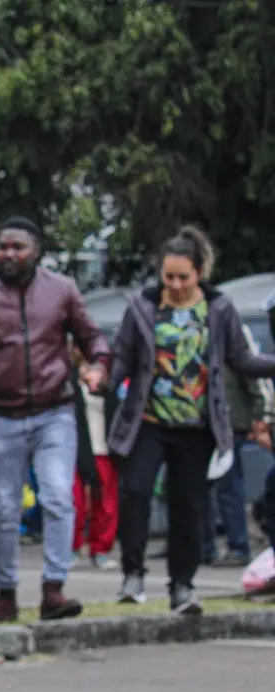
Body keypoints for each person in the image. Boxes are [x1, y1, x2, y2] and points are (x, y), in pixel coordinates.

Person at [107, 226, 275, 613]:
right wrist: (103, 379)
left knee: (188, 505)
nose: (177, 285)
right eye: (169, 277)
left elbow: (241, 359)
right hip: (147, 421)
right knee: (135, 491)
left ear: (199, 274)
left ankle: (182, 586)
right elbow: (122, 358)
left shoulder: (218, 308)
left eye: (184, 277)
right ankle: (133, 575)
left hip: (197, 426)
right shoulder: (142, 307)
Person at [0, 216, 110, 623]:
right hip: (1, 416)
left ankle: (53, 589)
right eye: (3, 246)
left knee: (58, 496)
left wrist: (99, 364)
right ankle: (6, 594)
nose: (9, 254)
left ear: (36, 250)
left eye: (18, 247)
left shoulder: (62, 290)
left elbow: (92, 335)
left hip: (54, 411)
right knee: (4, 509)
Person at [199, 326, 274, 567]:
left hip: (230, 420)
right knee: (197, 488)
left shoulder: (233, 329)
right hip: (197, 421)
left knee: (229, 485)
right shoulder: (184, 326)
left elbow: (254, 375)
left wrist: (261, 417)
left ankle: (238, 545)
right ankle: (202, 546)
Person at [72, 347, 119, 571]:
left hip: (103, 449)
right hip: (76, 450)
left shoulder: (109, 388)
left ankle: (101, 549)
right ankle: (72, 547)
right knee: (75, 502)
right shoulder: (70, 386)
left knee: (107, 504)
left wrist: (103, 388)